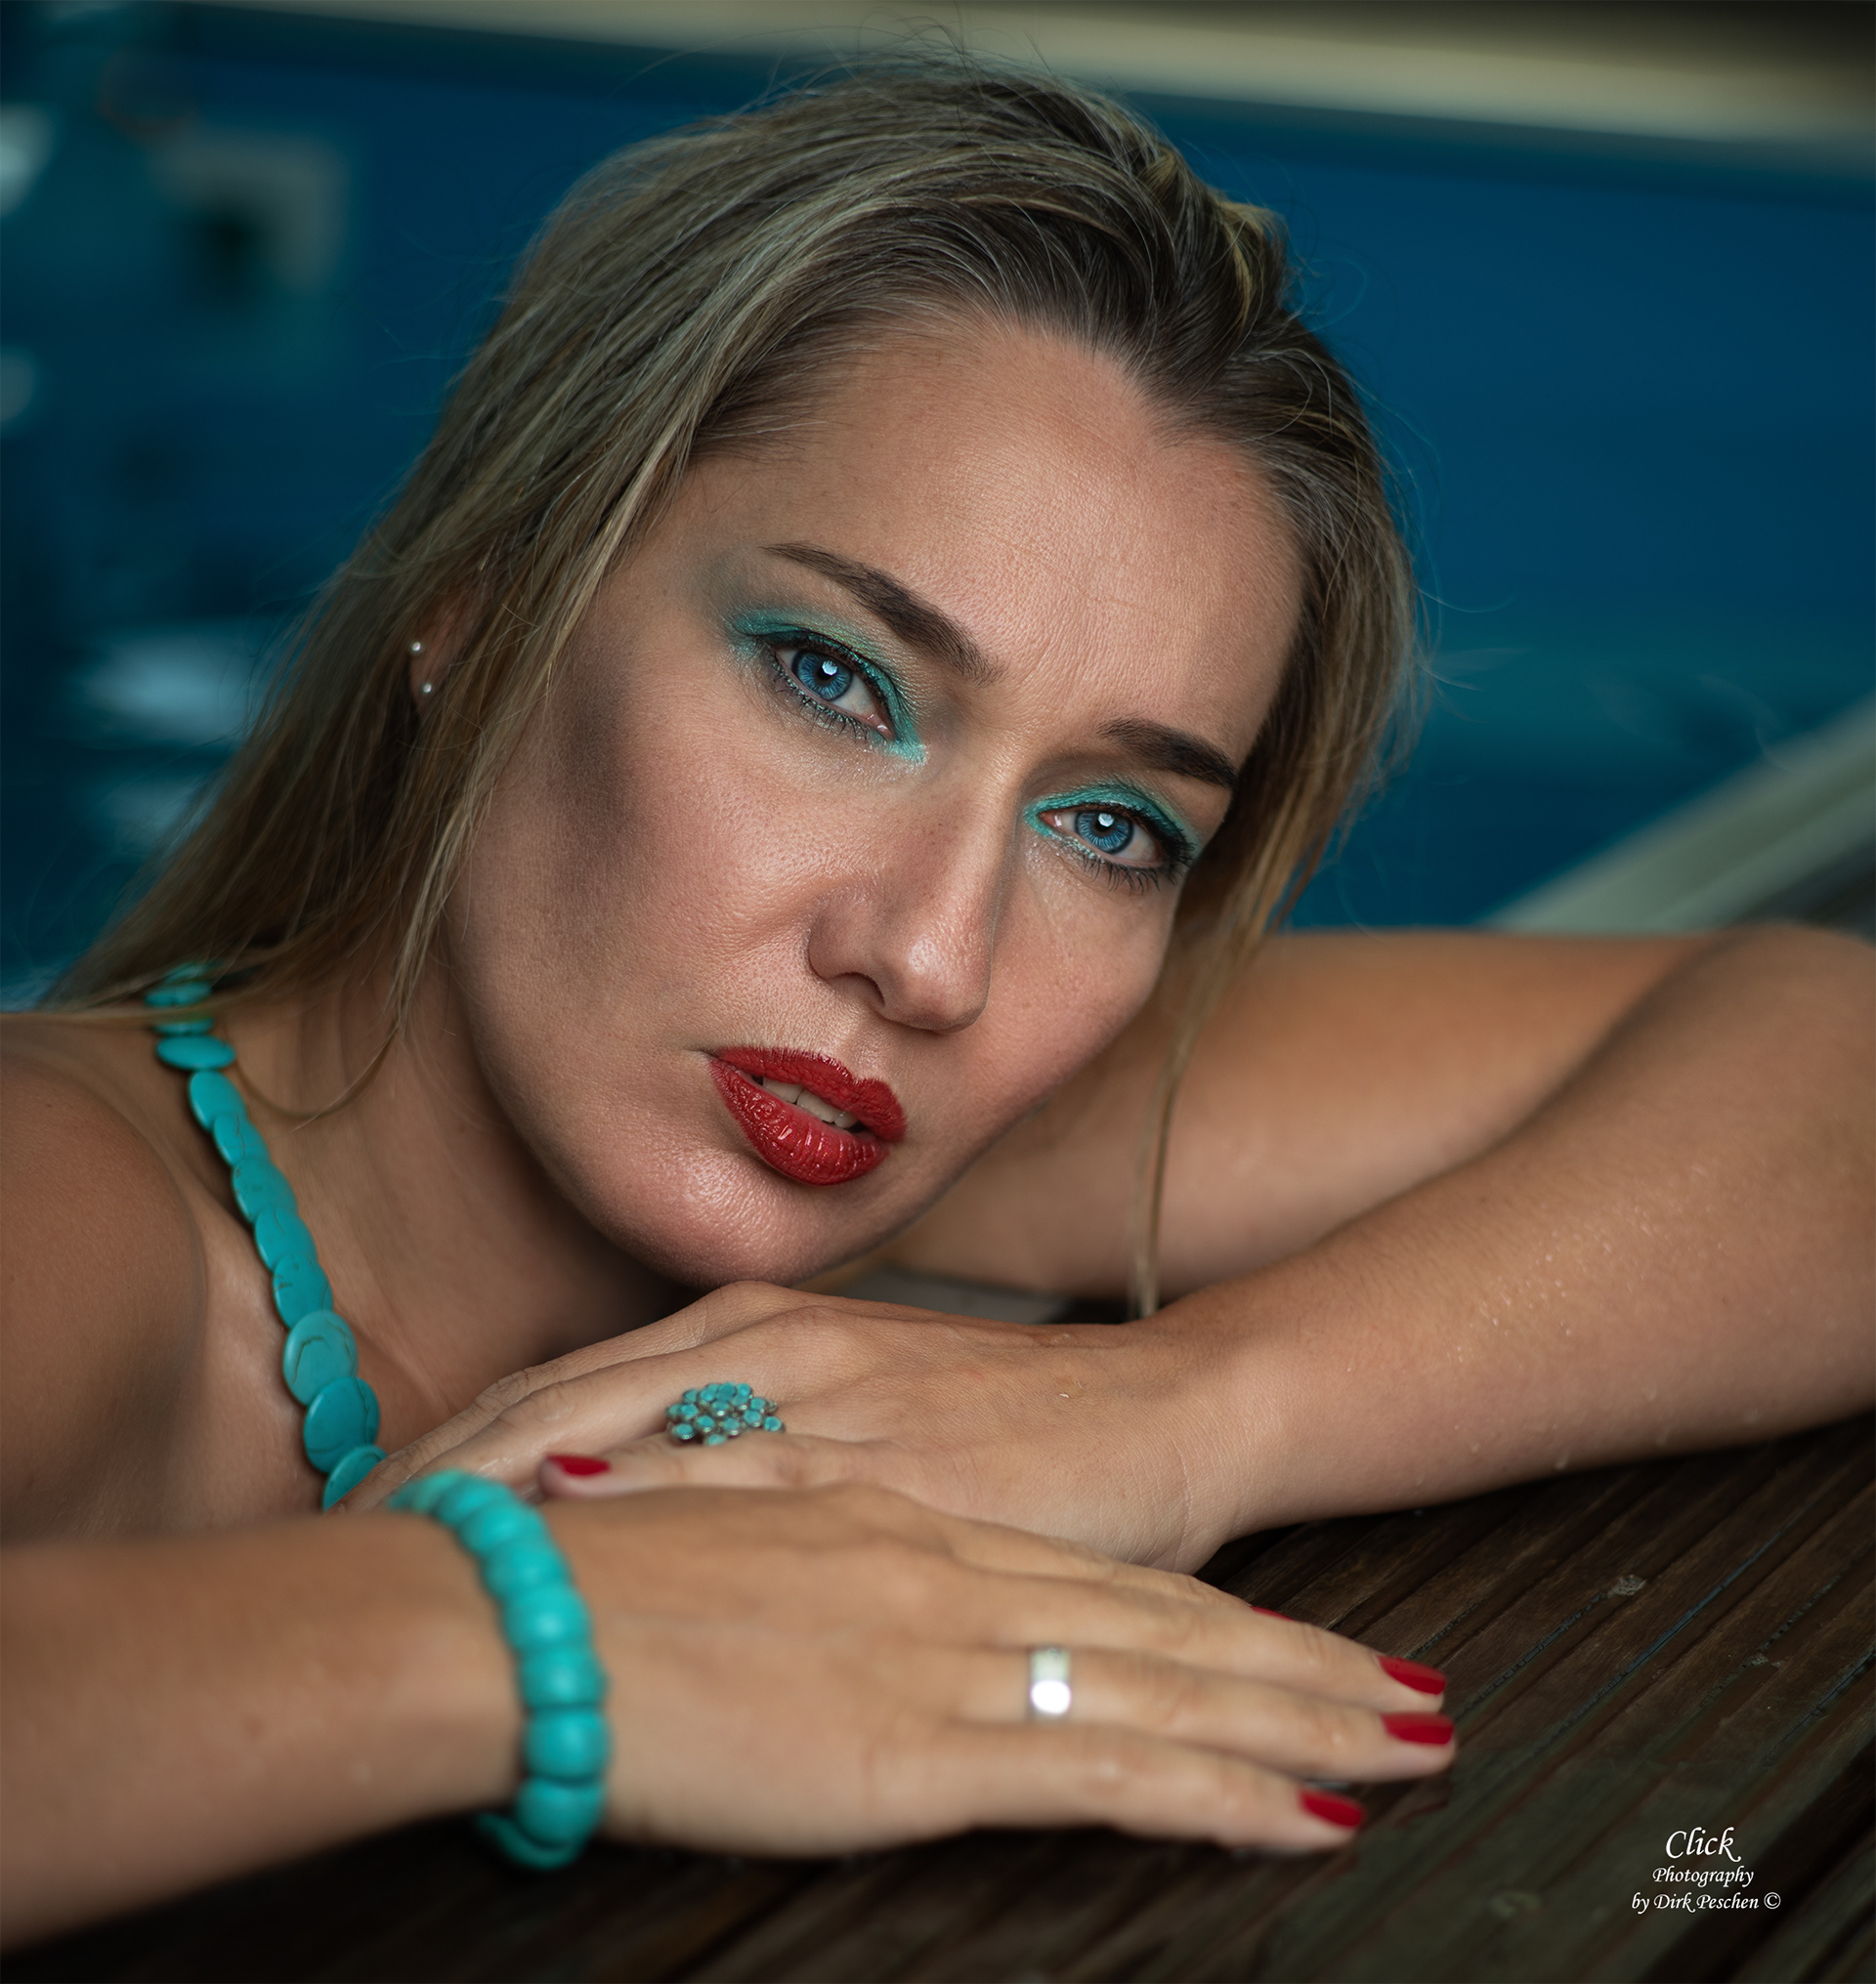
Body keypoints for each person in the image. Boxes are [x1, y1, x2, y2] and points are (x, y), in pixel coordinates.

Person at [2, 60, 1866, 1947]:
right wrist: (544, 1636)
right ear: (484, 605)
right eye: (836, 680)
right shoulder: (60, 1201)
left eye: (1110, 825)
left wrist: (1183, 1415)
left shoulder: (914, 1125)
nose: (935, 961)